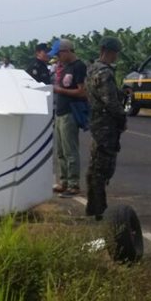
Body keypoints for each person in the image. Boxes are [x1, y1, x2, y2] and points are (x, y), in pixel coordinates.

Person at [84, 37, 127, 219]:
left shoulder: (92, 69)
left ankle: (93, 205)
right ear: (110, 52)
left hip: (96, 121)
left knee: (95, 165)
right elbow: (110, 102)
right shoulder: (105, 73)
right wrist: (122, 118)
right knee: (102, 168)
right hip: (106, 125)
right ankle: (99, 208)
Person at [52, 39, 86, 196]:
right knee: (60, 151)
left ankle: (73, 184)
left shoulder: (79, 67)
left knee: (70, 150)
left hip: (70, 112)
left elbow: (82, 91)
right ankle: (64, 180)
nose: (58, 58)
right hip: (60, 112)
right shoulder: (64, 67)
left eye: (59, 54)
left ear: (66, 51)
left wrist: (60, 91)